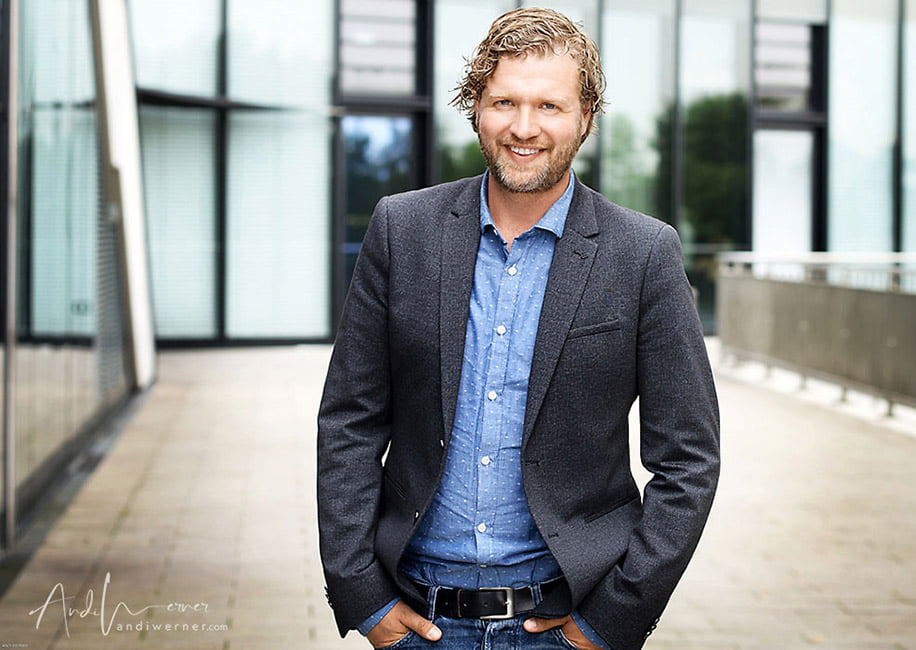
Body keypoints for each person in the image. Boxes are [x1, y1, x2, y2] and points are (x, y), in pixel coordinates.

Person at [317, 7, 720, 650]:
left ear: (586, 118)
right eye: (504, 101)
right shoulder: (401, 230)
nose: (524, 128)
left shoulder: (643, 254)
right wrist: (361, 594)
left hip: (565, 622)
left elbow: (688, 460)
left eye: (549, 106)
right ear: (475, 107)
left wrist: (611, 621)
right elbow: (349, 421)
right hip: (415, 618)